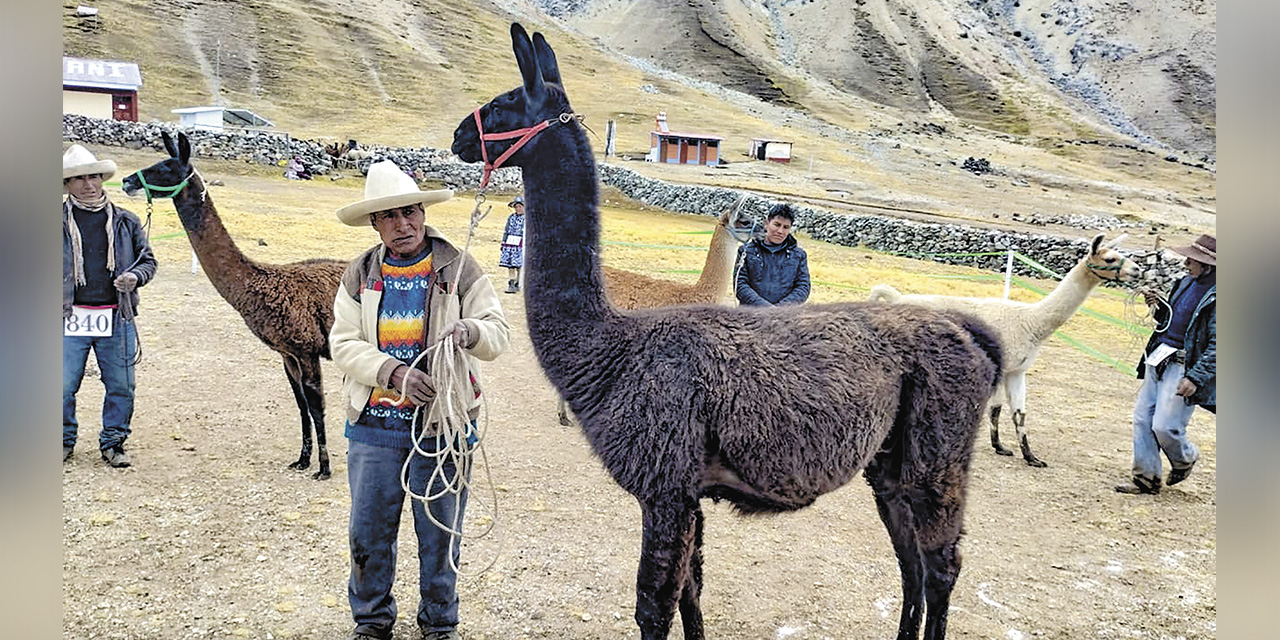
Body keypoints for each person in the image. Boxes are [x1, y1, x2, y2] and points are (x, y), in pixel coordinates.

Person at [330, 160, 510, 640]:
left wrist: (471, 330)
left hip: (443, 425)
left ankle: (439, 624)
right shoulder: (361, 273)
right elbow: (343, 343)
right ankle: (371, 622)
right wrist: (393, 373)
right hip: (375, 425)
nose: (402, 224)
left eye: (409, 212)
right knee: (368, 533)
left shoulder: (458, 266)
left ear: (422, 213)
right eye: (389, 216)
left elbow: (498, 333)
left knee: (441, 532)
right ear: (375, 223)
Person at [63, 144, 158, 468]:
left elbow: (148, 262)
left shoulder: (125, 221)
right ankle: (62, 440)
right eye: (79, 179)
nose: (89, 185)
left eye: (94, 177)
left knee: (122, 385)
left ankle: (114, 442)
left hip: (117, 317)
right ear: (67, 185)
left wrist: (134, 277)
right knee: (60, 386)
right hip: (67, 317)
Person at [1116, 234, 1216, 495]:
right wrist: (1159, 307)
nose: (1186, 263)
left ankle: (1186, 457)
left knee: (1165, 425)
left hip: (1185, 365)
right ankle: (1145, 479)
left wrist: (1195, 378)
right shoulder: (1184, 283)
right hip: (1158, 356)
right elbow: (1169, 321)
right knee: (1142, 418)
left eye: (1192, 260)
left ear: (1209, 265)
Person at [734, 202, 811, 306]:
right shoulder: (746, 251)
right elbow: (740, 285)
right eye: (777, 224)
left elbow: (803, 287)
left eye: (785, 227)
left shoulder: (798, 255)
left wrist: (780, 309)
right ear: (767, 223)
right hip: (749, 315)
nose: (780, 231)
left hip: (784, 317)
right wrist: (765, 308)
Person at [498, 196, 525, 294]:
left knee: (519, 265)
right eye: (516, 207)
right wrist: (503, 242)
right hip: (510, 244)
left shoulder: (526, 219)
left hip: (520, 245)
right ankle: (511, 283)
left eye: (520, 207)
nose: (518, 209)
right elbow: (506, 230)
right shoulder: (511, 218)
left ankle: (518, 283)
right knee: (511, 265)